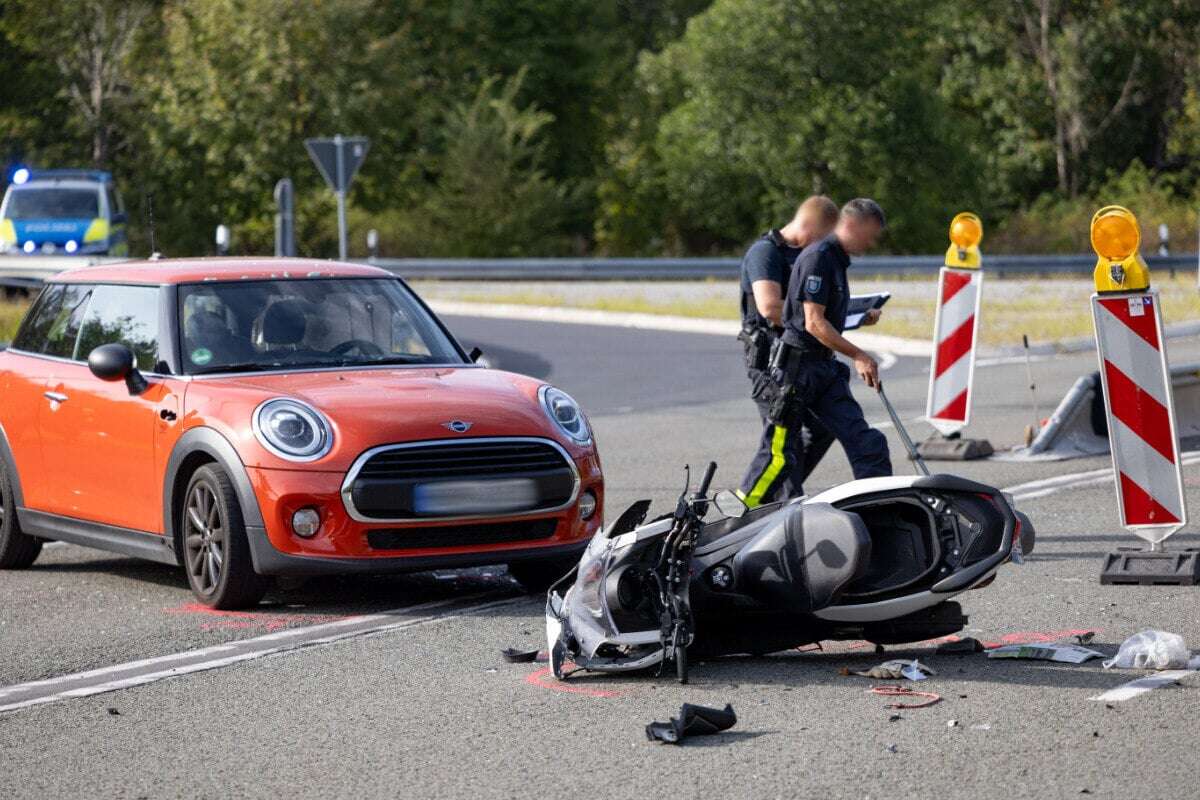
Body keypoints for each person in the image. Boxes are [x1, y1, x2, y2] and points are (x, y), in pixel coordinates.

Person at [740, 198, 892, 500]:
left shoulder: (831, 259)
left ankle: (882, 510)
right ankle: (744, 518)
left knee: (863, 441)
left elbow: (819, 316)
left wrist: (852, 315)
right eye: (870, 233)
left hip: (821, 367)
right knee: (781, 456)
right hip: (786, 371)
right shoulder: (793, 255)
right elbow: (790, 315)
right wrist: (857, 353)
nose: (872, 242)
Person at [737, 196, 838, 507]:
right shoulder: (765, 253)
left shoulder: (805, 257)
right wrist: (815, 320)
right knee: (781, 447)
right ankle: (745, 512)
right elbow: (770, 307)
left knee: (821, 429)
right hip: (771, 366)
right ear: (808, 226)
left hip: (799, 362)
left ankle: (777, 499)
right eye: (822, 238)